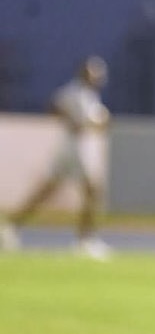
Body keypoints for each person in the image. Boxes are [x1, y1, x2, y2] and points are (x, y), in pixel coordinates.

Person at [1, 55, 112, 260]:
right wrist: (95, 122)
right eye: (94, 72)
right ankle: (85, 239)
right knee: (92, 190)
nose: (97, 77)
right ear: (84, 73)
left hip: (77, 147)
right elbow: (64, 112)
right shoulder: (75, 92)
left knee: (48, 190)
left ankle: (13, 226)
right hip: (75, 148)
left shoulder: (88, 95)